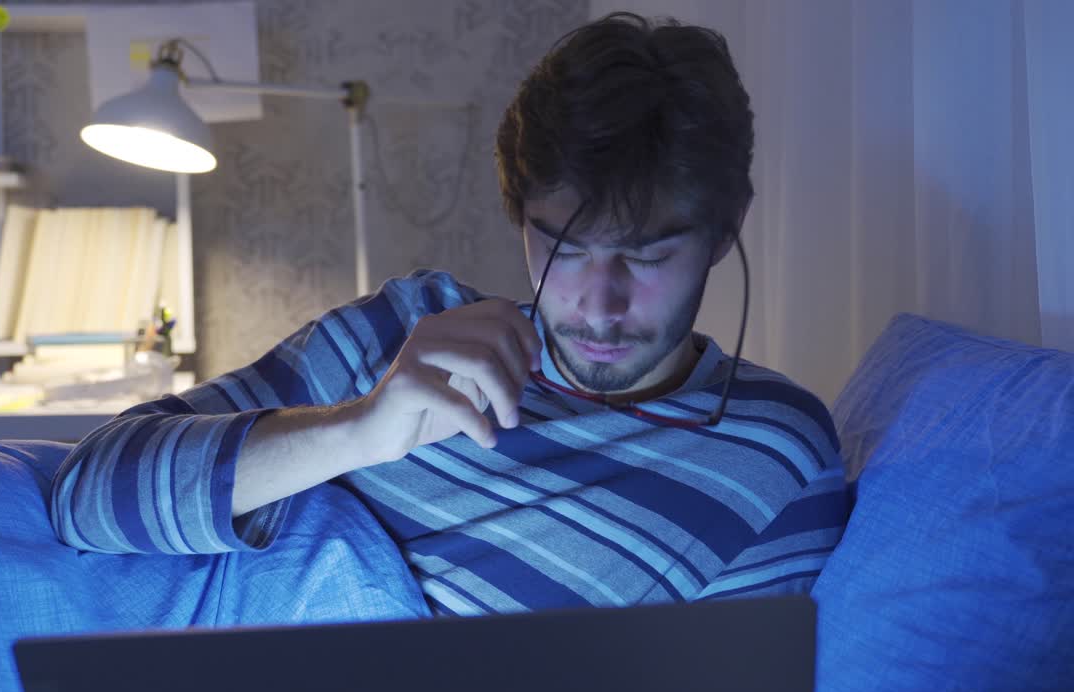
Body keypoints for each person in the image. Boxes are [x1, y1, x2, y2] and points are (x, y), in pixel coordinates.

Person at [50, 13, 849, 621]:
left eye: (646, 257)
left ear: (726, 228)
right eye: (564, 250)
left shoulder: (772, 454)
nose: (600, 306)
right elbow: (86, 498)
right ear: (519, 218)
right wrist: (358, 428)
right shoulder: (408, 331)